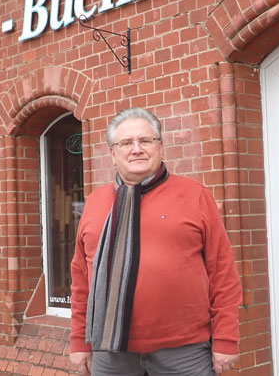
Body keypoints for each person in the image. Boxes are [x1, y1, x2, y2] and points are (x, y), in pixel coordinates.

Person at [69, 108, 242, 376]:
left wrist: (226, 338)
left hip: (185, 351)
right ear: (113, 154)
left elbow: (222, 272)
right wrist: (79, 340)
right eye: (126, 143)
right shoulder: (95, 203)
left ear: (160, 148)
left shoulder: (194, 194)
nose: (136, 149)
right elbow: (81, 280)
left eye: (146, 141)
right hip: (110, 352)